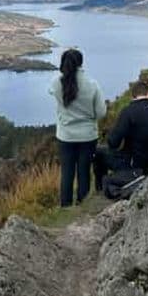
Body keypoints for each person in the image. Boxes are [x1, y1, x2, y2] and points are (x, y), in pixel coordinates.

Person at [50, 48, 105, 207]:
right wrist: (90, 118)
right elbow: (101, 112)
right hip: (88, 136)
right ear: (81, 62)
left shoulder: (57, 83)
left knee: (67, 173)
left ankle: (65, 206)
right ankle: (82, 204)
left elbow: (52, 92)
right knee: (84, 172)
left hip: (66, 136)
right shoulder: (92, 84)